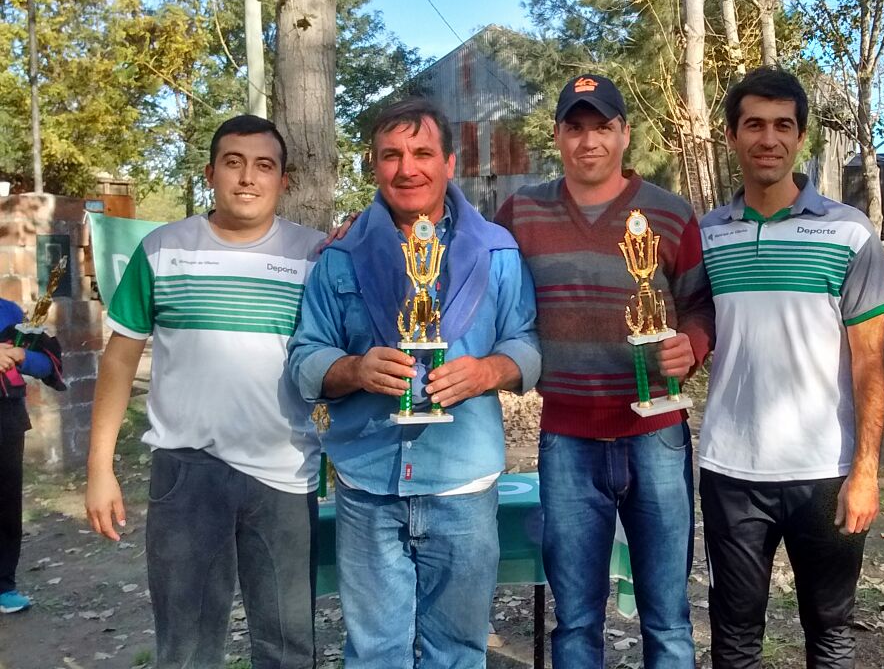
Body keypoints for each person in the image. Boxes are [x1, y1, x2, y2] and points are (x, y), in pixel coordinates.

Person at [287, 97, 539, 669]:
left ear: (449, 163)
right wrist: (354, 370)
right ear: (373, 165)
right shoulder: (340, 257)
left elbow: (526, 343)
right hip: (367, 484)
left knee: (458, 653)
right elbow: (305, 355)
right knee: (375, 653)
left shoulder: (497, 252)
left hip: (462, 484)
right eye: (391, 155)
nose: (407, 169)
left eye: (423, 153)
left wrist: (489, 371)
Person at [85, 115, 323, 668]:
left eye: (264, 166)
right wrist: (100, 467)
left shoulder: (314, 257)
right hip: (187, 473)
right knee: (186, 650)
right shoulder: (163, 249)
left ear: (283, 180)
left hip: (285, 476)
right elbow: (119, 360)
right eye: (233, 163)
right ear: (211, 173)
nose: (248, 177)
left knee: (289, 648)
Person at [494, 74, 714, 668]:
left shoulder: (669, 214)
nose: (588, 141)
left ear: (625, 134)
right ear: (557, 136)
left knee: (667, 618)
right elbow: (461, 252)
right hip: (567, 439)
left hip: (656, 437)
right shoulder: (521, 213)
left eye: (603, 127)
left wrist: (691, 346)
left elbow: (700, 304)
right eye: (575, 127)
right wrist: (366, 223)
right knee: (575, 621)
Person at [697, 67, 884, 668]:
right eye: (754, 125)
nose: (769, 139)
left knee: (830, 632)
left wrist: (866, 471)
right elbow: (693, 331)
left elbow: (870, 365)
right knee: (734, 637)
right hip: (731, 471)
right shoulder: (707, 235)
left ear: (800, 136)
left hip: (825, 472)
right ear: (732, 135)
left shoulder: (849, 231)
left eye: (783, 125)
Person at [1, 299, 64, 614]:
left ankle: (3, 586)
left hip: (6, 418)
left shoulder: (10, 313)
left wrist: (22, 355)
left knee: (6, 504)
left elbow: (46, 363)